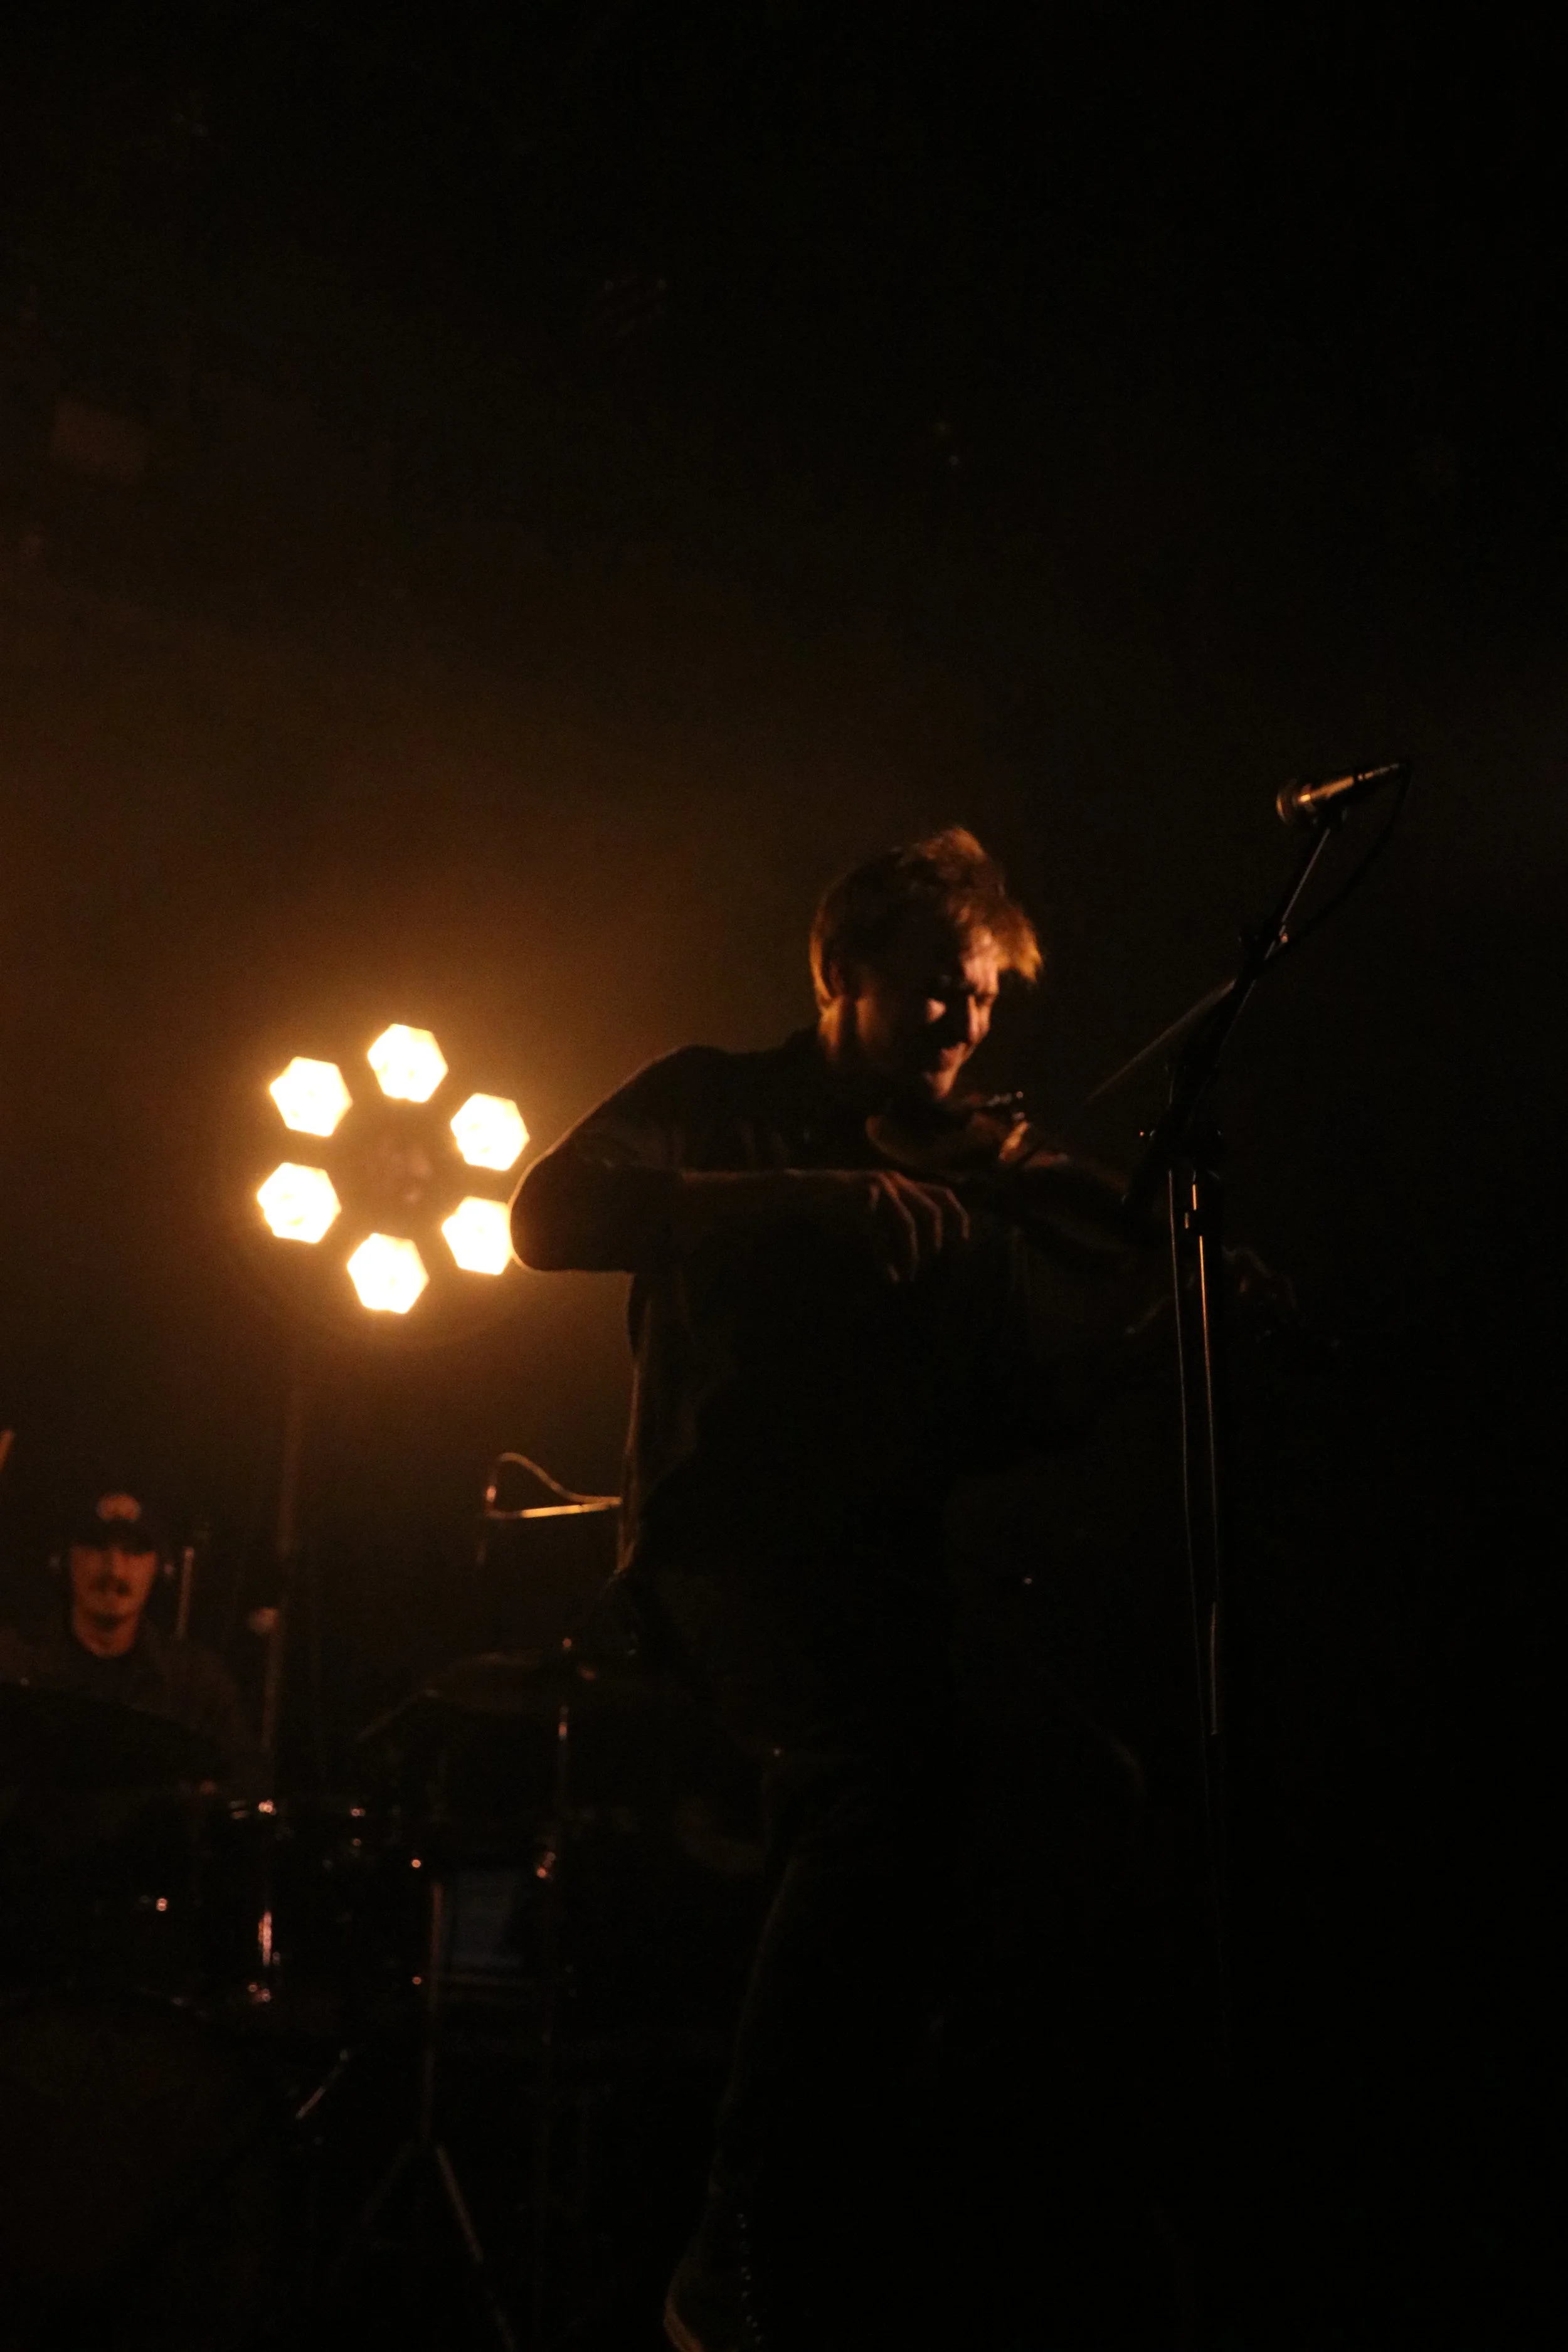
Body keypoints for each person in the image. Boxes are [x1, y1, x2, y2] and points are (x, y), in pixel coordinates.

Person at [513, 829, 1168, 2348]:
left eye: (988, 1000)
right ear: (843, 977)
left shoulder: (969, 1182)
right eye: (940, 990)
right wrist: (804, 1195)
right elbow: (547, 1217)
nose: (966, 1026)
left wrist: (1151, 1353)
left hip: (877, 1573)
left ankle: (952, 2189)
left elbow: (999, 1416)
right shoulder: (715, 1100)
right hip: (722, 1550)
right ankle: (731, 2232)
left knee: (1090, 1787)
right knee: (880, 1781)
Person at [0, 1487, 261, 1788]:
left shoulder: (196, 1684)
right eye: (97, 1546)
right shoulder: (12, 1661)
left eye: (134, 1550)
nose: (114, 1569)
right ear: (62, 1561)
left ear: (161, 1569)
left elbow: (249, 1781)